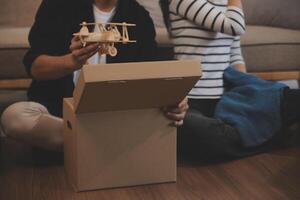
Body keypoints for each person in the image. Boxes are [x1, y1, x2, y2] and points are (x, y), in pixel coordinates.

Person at [0, 0, 188, 151]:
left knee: (183, 123)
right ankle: (111, 146)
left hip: (114, 117)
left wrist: (174, 98)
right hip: (60, 115)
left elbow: (151, 74)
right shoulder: (57, 5)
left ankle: (88, 147)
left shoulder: (138, 16)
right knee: (15, 118)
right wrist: (71, 62)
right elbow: (35, 67)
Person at [160, 0, 300, 159]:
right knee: (192, 129)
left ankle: (253, 135)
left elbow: (235, 55)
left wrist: (249, 94)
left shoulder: (226, 5)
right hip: (191, 102)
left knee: (287, 97)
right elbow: (235, 26)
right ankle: (275, 139)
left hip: (226, 99)